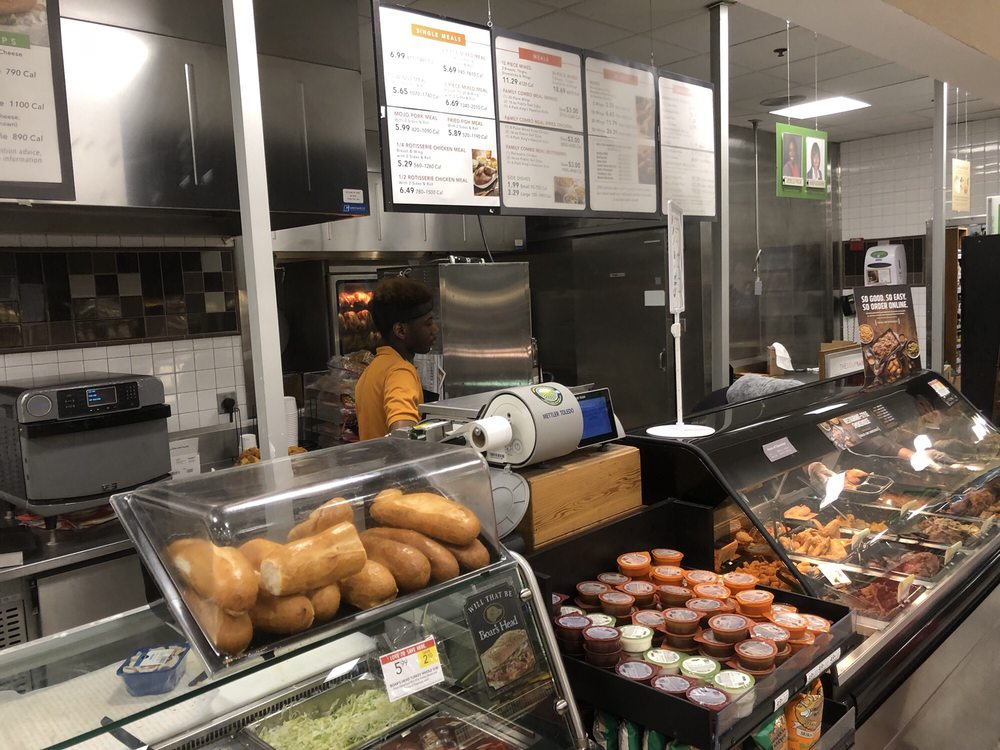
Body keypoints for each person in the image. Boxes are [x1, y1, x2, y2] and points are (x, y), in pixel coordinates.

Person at [355, 276, 438, 440]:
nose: (434, 329)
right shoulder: (400, 371)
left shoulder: (373, 368)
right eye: (428, 323)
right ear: (400, 330)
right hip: (395, 457)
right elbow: (403, 436)